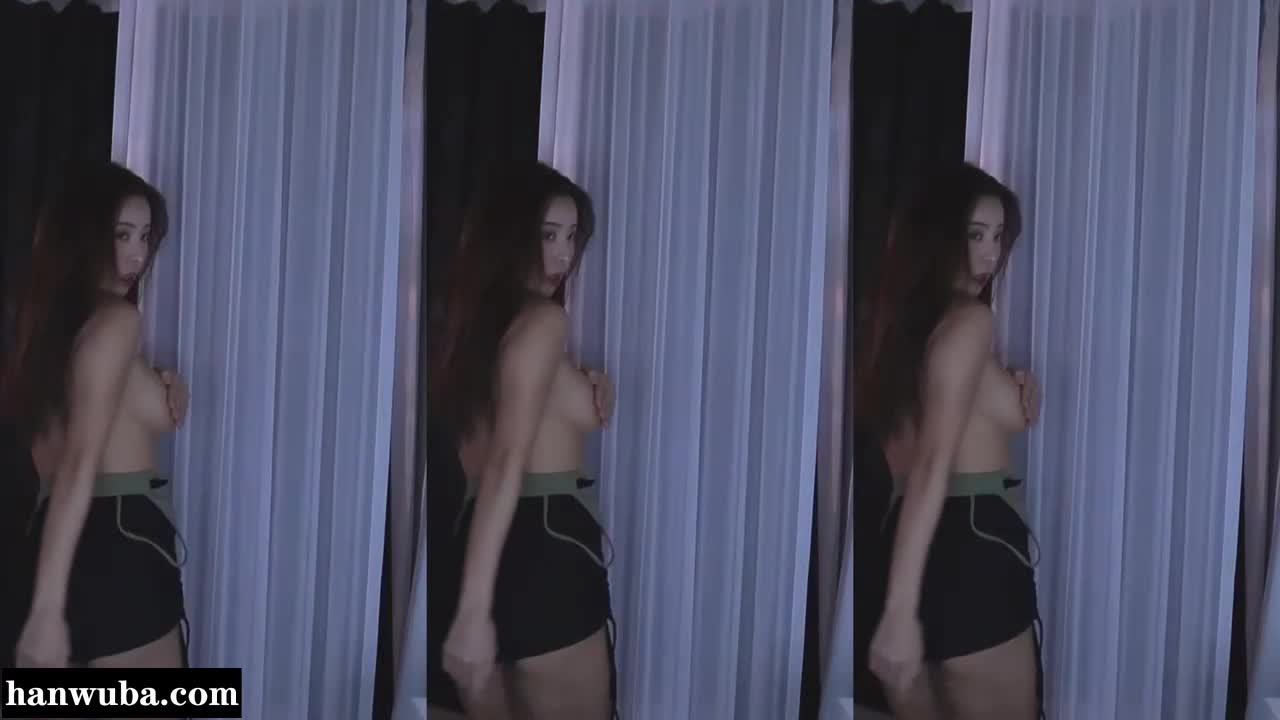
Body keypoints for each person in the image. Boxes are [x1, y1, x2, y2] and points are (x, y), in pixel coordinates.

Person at [855, 162, 1044, 720]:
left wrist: (1018, 389)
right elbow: (933, 463)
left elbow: (924, 453)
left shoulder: (897, 333)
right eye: (974, 235)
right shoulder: (969, 324)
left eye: (998, 238)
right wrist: (899, 615)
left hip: (909, 544)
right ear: (937, 239)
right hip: (972, 547)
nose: (990, 256)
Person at [430, 162, 619, 720]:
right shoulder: (542, 323)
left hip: (484, 543)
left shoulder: (474, 333)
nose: (564, 255)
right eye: (547, 235)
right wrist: (472, 615)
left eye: (572, 237)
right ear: (509, 237)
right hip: (547, 548)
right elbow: (507, 460)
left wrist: (593, 383)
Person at [2, 162, 189, 676]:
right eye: (122, 235)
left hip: (54, 541)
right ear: (83, 236)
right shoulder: (117, 321)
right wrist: (45, 614)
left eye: (146, 237)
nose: (138, 255)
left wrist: (166, 383)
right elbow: (80, 459)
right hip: (118, 545)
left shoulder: (47, 330)